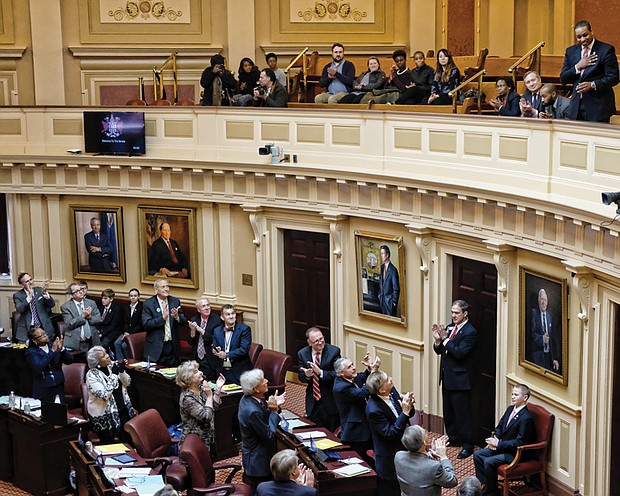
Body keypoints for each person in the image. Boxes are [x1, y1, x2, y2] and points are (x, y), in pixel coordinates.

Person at [432, 299, 477, 459]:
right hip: (447, 378)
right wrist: (438, 341)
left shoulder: (470, 332)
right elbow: (440, 351)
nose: (453, 316)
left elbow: (459, 353)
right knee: (449, 412)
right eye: (452, 312)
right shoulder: (450, 328)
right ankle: (454, 438)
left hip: (461, 381)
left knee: (462, 414)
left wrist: (444, 340)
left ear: (465, 314)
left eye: (456, 313)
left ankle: (467, 445)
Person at [474, 384, 536, 496]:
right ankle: (487, 485)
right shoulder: (510, 409)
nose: (512, 397)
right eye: (512, 394)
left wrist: (499, 444)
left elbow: (520, 442)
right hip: (503, 448)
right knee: (478, 455)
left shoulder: (526, 418)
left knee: (489, 461)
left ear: (525, 398)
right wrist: (496, 437)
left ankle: (492, 493)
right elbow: (500, 426)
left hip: (515, 453)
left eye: (516, 395)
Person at [365, 370, 416, 496]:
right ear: (381, 390)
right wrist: (404, 412)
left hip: (405, 449)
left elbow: (407, 415)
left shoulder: (392, 392)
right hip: (390, 458)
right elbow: (391, 434)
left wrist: (409, 405)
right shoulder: (373, 410)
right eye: (387, 379)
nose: (391, 379)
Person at [560, 20, 619, 123]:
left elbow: (614, 77)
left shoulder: (606, 50)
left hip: (598, 107)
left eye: (585, 35)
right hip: (576, 107)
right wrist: (577, 66)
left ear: (592, 32)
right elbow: (563, 78)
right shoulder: (570, 51)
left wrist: (592, 85)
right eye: (579, 37)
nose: (582, 39)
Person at [238, 368, 286, 493]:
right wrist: (274, 411)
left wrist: (275, 406)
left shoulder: (248, 399)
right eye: (263, 380)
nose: (267, 381)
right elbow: (269, 434)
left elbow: (264, 417)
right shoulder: (252, 411)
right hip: (258, 460)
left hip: (255, 454)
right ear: (256, 389)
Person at [333, 354, 380, 462]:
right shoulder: (341, 388)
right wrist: (373, 372)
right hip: (355, 432)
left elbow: (362, 376)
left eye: (352, 364)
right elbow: (364, 392)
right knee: (357, 461)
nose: (354, 367)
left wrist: (369, 369)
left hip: (364, 424)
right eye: (349, 367)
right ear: (341, 373)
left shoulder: (349, 378)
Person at [86, 346, 135, 443]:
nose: (108, 356)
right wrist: (114, 374)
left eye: (106, 353)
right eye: (103, 356)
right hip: (105, 416)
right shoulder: (91, 375)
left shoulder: (112, 365)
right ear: (97, 362)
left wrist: (121, 372)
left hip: (123, 409)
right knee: (109, 445)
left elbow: (127, 382)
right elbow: (104, 394)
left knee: (127, 441)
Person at [176, 360, 226, 454]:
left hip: (207, 438)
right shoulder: (187, 398)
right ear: (188, 378)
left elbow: (213, 407)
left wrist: (218, 389)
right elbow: (206, 416)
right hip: (194, 443)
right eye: (196, 372)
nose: (200, 372)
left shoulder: (200, 388)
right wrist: (210, 395)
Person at [297, 327, 341, 432]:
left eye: (321, 339)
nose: (320, 342)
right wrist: (307, 375)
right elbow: (301, 377)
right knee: (314, 429)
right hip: (313, 398)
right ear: (309, 342)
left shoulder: (334, 351)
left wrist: (320, 373)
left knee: (330, 432)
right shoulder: (302, 354)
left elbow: (338, 374)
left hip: (329, 398)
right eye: (316, 341)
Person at [394, 425, 458, 496]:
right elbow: (452, 481)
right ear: (424, 442)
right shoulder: (434, 467)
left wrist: (431, 454)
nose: (426, 431)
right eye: (424, 431)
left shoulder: (398, 456)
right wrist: (443, 457)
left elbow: (421, 466)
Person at [142, 279, 187, 366]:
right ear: (156, 290)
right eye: (163, 287)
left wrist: (177, 316)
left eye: (167, 286)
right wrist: (162, 318)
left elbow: (183, 322)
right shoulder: (148, 304)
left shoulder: (175, 301)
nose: (166, 289)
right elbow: (146, 324)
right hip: (155, 348)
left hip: (172, 347)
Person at [25, 327, 73, 402]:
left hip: (58, 385)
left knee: (60, 410)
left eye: (45, 333)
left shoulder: (54, 345)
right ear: (34, 340)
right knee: (47, 411)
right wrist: (52, 352)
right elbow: (39, 367)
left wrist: (62, 349)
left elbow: (70, 361)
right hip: (44, 387)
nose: (45, 336)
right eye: (41, 335)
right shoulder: (31, 352)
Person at [212, 304, 252, 384]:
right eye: (228, 314)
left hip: (239, 370)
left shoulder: (244, 329)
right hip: (222, 370)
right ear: (222, 317)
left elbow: (244, 349)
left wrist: (226, 354)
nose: (231, 316)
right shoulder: (217, 330)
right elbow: (214, 345)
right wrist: (215, 351)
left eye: (233, 313)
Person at [13, 272, 56, 344]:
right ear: (22, 285)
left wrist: (46, 294)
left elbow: (52, 304)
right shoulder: (17, 295)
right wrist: (29, 296)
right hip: (27, 329)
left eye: (31, 279)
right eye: (27, 281)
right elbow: (20, 309)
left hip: (43, 327)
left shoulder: (39, 290)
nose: (30, 282)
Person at [61, 282, 102, 353]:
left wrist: (89, 317)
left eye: (81, 289)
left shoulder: (91, 303)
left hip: (93, 340)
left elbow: (99, 319)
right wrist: (82, 316)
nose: (81, 292)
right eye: (77, 291)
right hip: (76, 342)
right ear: (71, 295)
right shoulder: (66, 307)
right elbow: (69, 324)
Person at [188, 298, 221, 380]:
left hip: (209, 358)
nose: (207, 308)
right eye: (203, 306)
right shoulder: (195, 319)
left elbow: (213, 339)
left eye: (208, 305)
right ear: (199, 310)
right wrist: (193, 330)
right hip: (196, 358)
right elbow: (191, 342)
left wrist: (200, 330)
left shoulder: (217, 320)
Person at [530, 288, 560, 372]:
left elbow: (553, 339)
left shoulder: (549, 316)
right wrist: (542, 339)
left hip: (549, 357)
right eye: (542, 299)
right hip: (537, 356)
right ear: (538, 300)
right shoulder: (534, 313)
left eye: (545, 300)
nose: (543, 302)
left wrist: (554, 358)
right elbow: (531, 334)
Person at [114, 288, 143, 360]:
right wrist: (126, 332)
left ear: (138, 297)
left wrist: (130, 333)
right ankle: (120, 362)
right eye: (131, 296)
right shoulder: (126, 307)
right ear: (129, 297)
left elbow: (140, 324)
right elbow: (124, 321)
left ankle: (130, 362)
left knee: (124, 345)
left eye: (135, 296)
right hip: (126, 332)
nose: (133, 297)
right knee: (117, 343)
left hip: (136, 333)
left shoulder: (142, 307)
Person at [96, 288, 123, 352]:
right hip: (100, 331)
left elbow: (113, 325)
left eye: (105, 298)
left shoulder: (116, 309)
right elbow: (97, 320)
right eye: (102, 298)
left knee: (104, 344)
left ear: (111, 299)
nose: (103, 300)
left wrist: (102, 333)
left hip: (112, 332)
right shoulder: (99, 307)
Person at [378, 244, 400, 316]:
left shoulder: (393, 270)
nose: (381, 256)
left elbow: (396, 289)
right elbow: (381, 283)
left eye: (383, 253)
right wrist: (379, 295)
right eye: (381, 253)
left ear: (387, 255)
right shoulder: (382, 267)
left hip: (389, 303)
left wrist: (393, 302)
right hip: (382, 301)